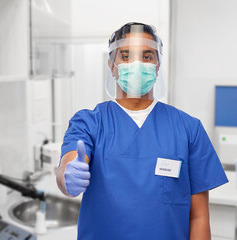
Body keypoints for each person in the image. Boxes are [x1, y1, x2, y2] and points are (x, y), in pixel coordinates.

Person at [56, 22, 228, 240]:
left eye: (147, 57)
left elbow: (199, 217)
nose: (137, 64)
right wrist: (67, 175)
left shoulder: (188, 128)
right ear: (112, 65)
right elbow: (68, 164)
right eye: (126, 56)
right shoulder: (89, 123)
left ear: (157, 65)